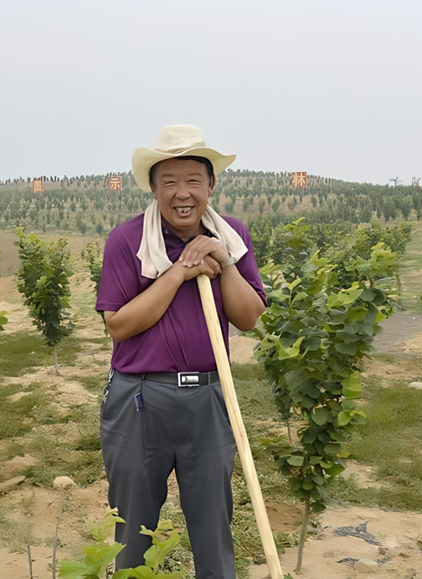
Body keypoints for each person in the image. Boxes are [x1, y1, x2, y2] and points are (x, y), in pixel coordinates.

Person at [96, 125, 267, 578]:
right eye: (168, 181)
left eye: (193, 179)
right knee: (132, 532)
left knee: (213, 528)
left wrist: (223, 261)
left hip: (210, 398)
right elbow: (119, 325)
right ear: (153, 188)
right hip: (138, 400)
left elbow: (249, 317)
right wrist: (178, 272)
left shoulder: (233, 235)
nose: (182, 192)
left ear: (211, 184)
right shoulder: (127, 241)